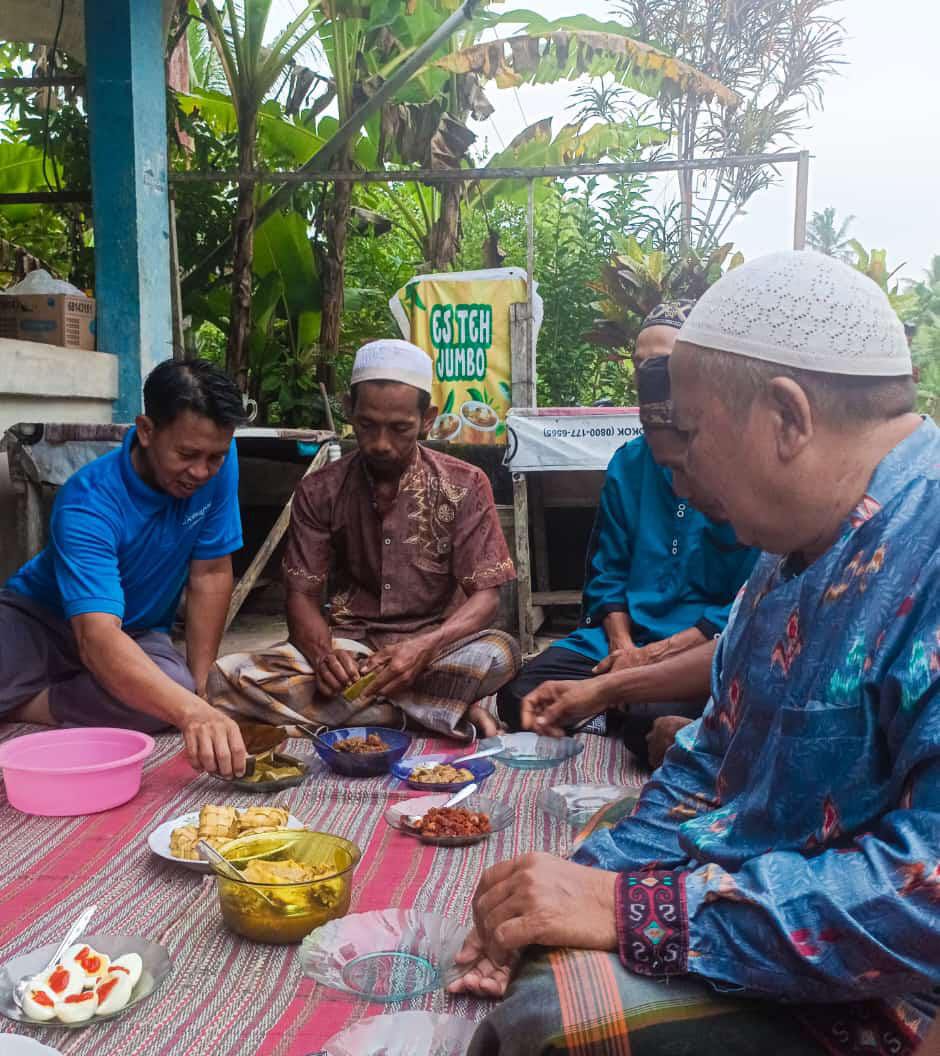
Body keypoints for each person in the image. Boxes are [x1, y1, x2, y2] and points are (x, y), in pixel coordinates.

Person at [450, 251, 940, 1054]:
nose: (688, 481)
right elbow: (710, 757)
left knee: (550, 1023)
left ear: (787, 419)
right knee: (566, 872)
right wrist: (581, 885)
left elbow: (925, 899)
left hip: (894, 994)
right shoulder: (788, 554)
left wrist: (629, 911)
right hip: (761, 888)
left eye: (700, 436)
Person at [208, 339, 520, 740]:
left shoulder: (466, 484)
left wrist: (424, 646)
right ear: (349, 409)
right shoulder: (320, 490)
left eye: (400, 428)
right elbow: (301, 596)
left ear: (428, 418)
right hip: (349, 650)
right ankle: (424, 713)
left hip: (435, 652)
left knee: (500, 654)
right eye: (367, 425)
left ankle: (377, 710)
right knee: (227, 679)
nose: (381, 444)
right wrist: (324, 657)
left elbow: (486, 599)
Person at [497, 303, 758, 768]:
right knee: (519, 694)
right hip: (626, 641)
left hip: (702, 646)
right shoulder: (629, 462)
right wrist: (624, 649)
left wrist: (658, 655)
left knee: (650, 723)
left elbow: (745, 606)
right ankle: (609, 705)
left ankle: (609, 709)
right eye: (641, 364)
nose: (649, 373)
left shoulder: (740, 469)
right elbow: (609, 572)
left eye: (665, 363)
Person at [0, 358, 249, 778]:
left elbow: (210, 572)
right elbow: (96, 636)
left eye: (215, 458)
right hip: (39, 619)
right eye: (187, 455)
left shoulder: (216, 462)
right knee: (169, 701)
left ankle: (30, 703)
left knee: (177, 687)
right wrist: (191, 714)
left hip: (135, 633)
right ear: (147, 431)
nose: (202, 472)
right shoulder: (88, 501)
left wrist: (202, 689)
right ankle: (53, 690)